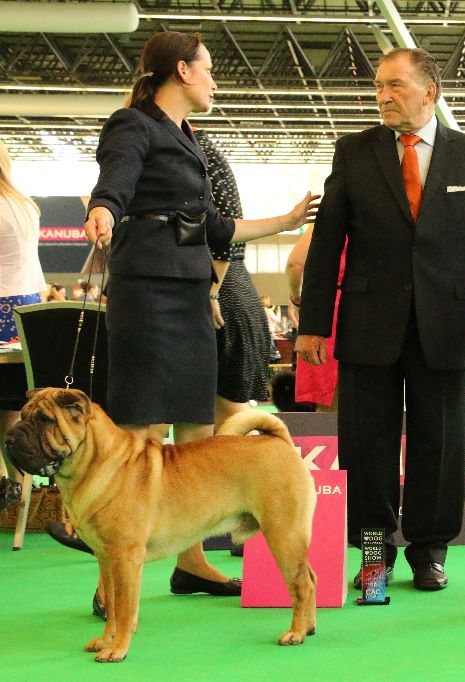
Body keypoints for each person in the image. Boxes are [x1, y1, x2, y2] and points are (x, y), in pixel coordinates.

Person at [82, 31, 318, 617]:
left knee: (194, 432)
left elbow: (217, 227)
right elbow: (117, 177)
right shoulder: (132, 125)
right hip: (146, 290)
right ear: (183, 71)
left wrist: (286, 221)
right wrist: (104, 208)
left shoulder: (187, 139)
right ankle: (115, 570)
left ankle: (189, 561)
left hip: (190, 292)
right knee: (141, 436)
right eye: (209, 70)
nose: (215, 80)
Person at [295, 47, 465, 592]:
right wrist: (313, 323)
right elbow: (326, 245)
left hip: (445, 326)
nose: (383, 97)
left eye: (395, 86)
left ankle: (429, 551)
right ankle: (374, 555)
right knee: (365, 447)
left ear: (429, 92)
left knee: (439, 445)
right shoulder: (353, 152)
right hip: (368, 325)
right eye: (378, 88)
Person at [194, 130, 273, 428]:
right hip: (226, 288)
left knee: (228, 416)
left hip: (221, 293)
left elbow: (228, 229)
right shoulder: (192, 148)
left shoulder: (198, 149)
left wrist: (212, 291)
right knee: (220, 415)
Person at [0, 138, 47, 494]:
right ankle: (18, 488)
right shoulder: (24, 204)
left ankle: (11, 487)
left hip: (1, 307)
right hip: (27, 308)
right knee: (14, 405)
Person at [286, 224, 346, 411]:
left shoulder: (324, 221)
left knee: (328, 404)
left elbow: (294, 264)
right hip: (373, 311)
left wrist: (295, 298)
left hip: (327, 313)